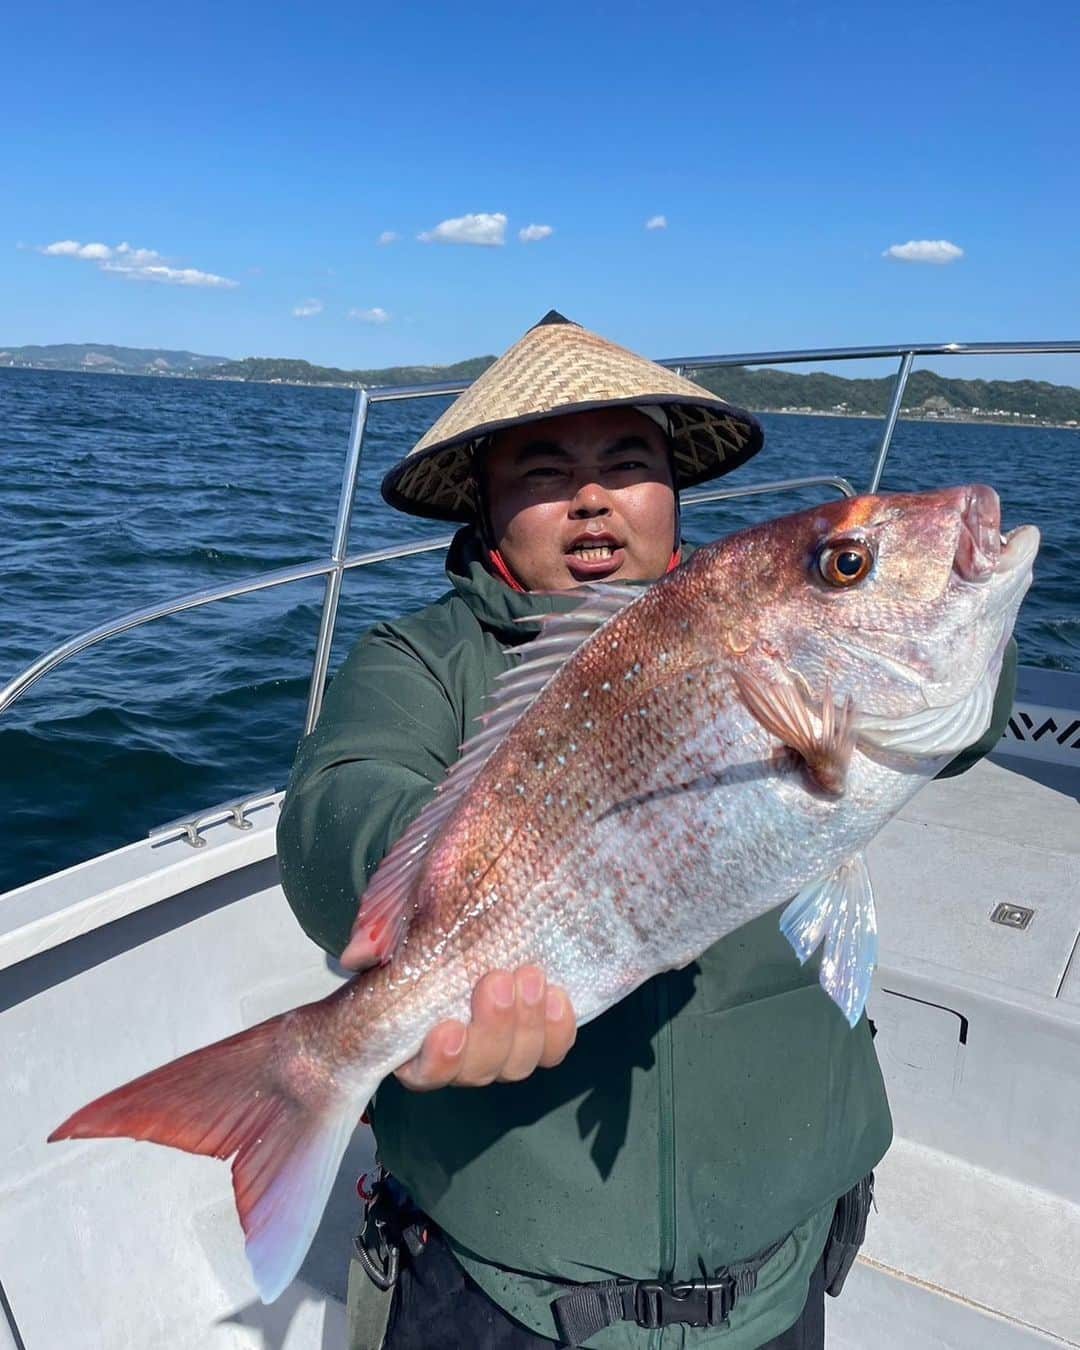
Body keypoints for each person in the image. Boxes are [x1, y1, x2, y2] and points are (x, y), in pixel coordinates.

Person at [277, 312, 1015, 1349]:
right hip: (499, 1294)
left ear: (674, 491)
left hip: (780, 1278)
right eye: (544, 470)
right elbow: (332, 807)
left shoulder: (747, 612)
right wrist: (456, 896)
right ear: (486, 500)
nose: (591, 496)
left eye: (628, 461)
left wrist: (942, 608)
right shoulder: (421, 659)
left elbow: (956, 711)